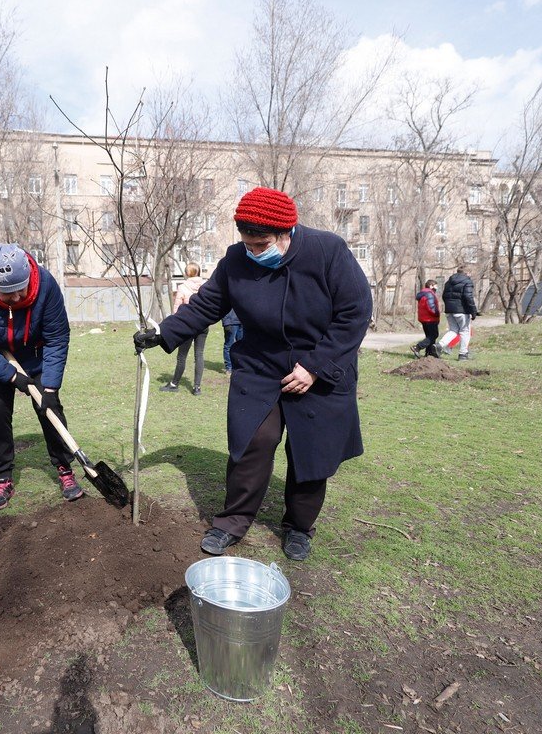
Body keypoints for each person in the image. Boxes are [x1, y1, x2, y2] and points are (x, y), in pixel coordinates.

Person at [133, 187, 371, 562]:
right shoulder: (236, 260)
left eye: (261, 245)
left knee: (310, 449)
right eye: (248, 244)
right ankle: (232, 521)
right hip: (260, 365)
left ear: (285, 232)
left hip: (319, 364)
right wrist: (164, 332)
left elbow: (355, 312)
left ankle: (298, 527)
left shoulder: (328, 251)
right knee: (252, 441)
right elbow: (208, 304)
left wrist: (315, 367)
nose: (254, 253)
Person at [0, 243, 83, 510]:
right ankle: (3, 475)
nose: (15, 298)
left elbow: (57, 337)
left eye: (20, 290)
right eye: (7, 294)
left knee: (50, 409)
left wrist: (49, 387)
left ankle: (65, 469)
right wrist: (12, 376)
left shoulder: (46, 284)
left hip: (36, 354)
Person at [161, 262, 208, 395]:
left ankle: (174, 384)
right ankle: (197, 388)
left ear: (187, 273)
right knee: (199, 354)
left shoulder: (183, 287)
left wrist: (174, 324)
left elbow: (177, 308)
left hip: (187, 325)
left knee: (182, 356)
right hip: (203, 323)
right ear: (198, 272)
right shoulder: (205, 286)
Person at [441, 265, 479, 360]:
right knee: (465, 331)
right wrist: (473, 311)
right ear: (467, 273)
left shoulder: (448, 282)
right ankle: (463, 354)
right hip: (462, 311)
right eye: (470, 273)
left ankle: (439, 345)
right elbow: (468, 297)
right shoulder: (467, 281)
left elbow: (444, 296)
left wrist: (449, 307)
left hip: (449, 310)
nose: (470, 275)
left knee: (453, 330)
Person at [411, 279, 441, 358]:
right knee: (434, 335)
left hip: (424, 318)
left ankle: (429, 354)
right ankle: (417, 347)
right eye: (435, 286)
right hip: (430, 319)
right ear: (431, 286)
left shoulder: (423, 293)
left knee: (429, 336)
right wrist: (437, 313)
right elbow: (431, 307)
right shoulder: (429, 294)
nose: (436, 288)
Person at [221, 308, 243, 375]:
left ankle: (240, 365)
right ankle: (229, 368)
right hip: (231, 322)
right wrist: (226, 322)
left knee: (241, 346)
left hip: (241, 321)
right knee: (228, 345)